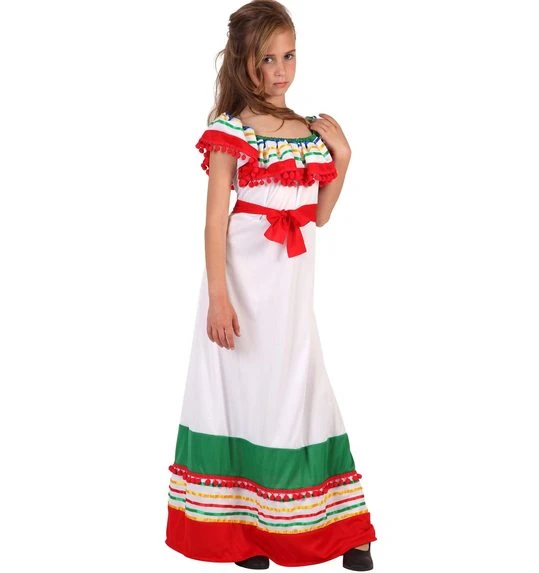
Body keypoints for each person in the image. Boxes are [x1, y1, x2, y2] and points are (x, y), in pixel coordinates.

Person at [165, 0, 377, 569]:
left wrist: (344, 156)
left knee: (302, 391)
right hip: (240, 289)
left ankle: (336, 525)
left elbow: (318, 215)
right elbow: (215, 220)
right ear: (245, 62)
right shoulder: (230, 132)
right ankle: (244, 530)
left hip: (289, 295)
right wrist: (218, 298)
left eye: (289, 56)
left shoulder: (310, 131)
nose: (281, 70)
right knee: (243, 398)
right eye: (268, 59)